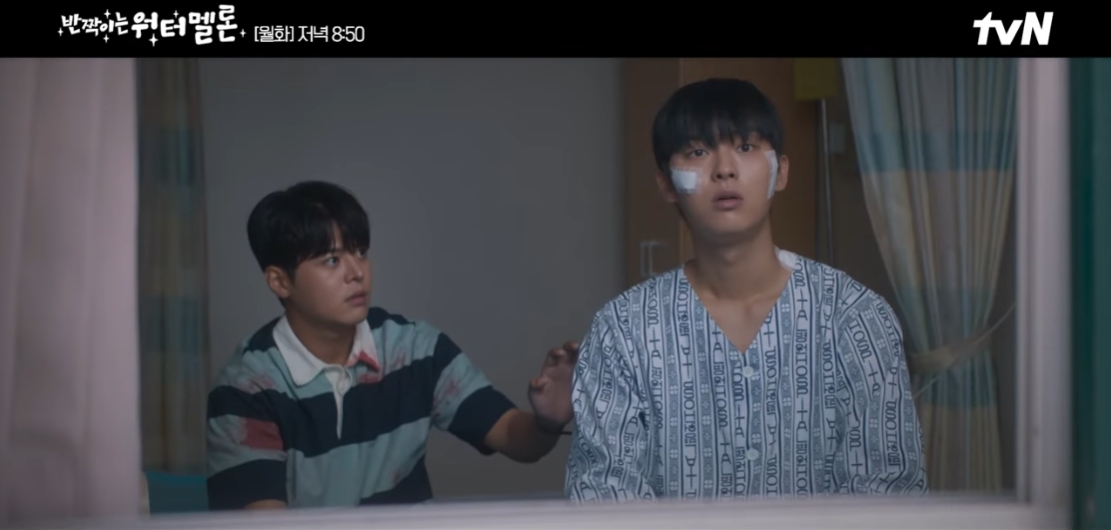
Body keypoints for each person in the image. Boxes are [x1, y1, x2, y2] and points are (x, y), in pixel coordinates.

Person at [564, 78, 928, 502]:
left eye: (746, 146)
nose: (725, 169)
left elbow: (889, 492)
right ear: (665, 184)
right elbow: (604, 497)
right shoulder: (623, 331)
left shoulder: (855, 317)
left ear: (781, 172)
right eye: (698, 152)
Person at [206, 180, 578, 510]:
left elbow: (513, 437)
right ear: (279, 282)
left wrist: (548, 420)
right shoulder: (246, 389)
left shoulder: (416, 350)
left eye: (360, 252)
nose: (357, 272)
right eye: (332, 260)